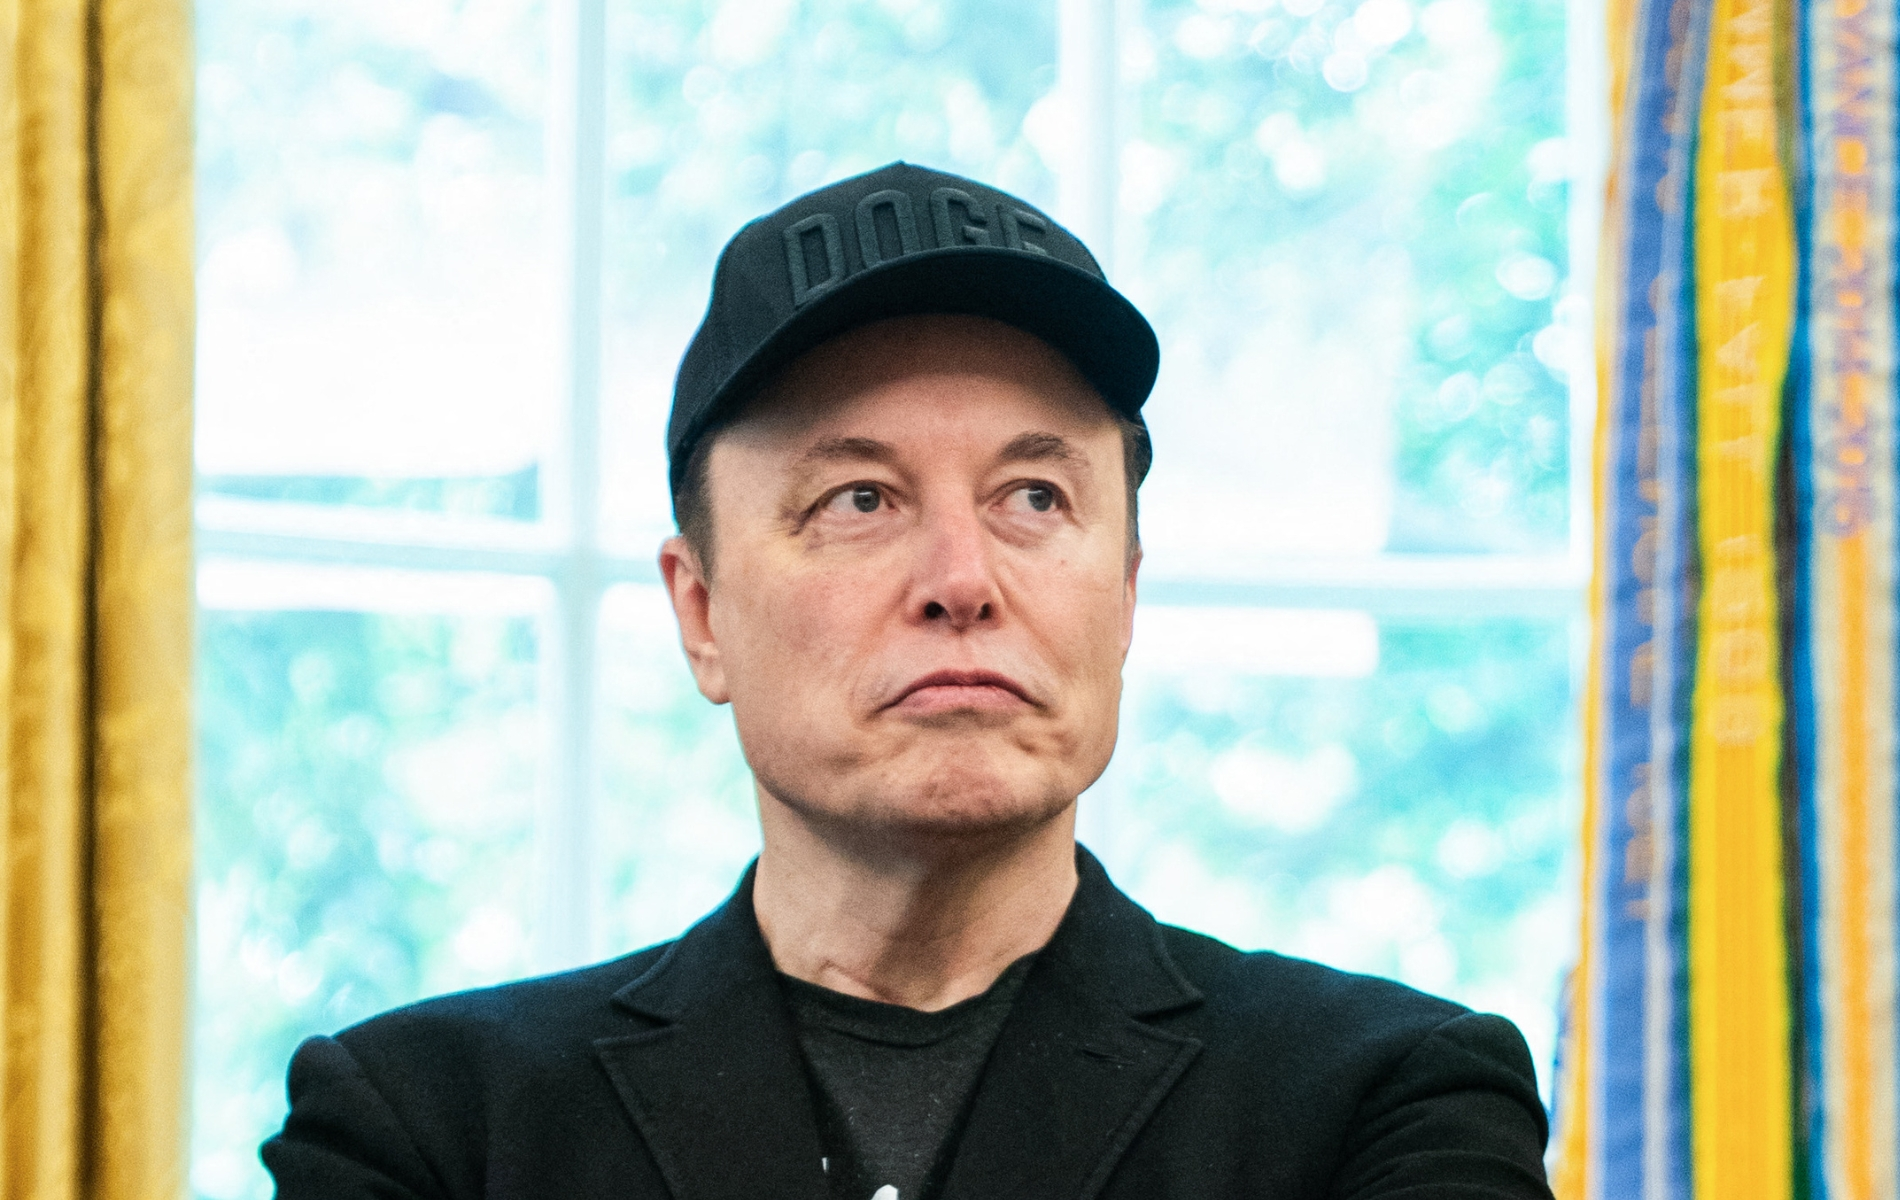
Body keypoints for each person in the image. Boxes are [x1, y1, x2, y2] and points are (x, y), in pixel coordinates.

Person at [263, 162, 1553, 1200]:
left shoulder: (1390, 1104)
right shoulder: (423, 1130)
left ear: (1127, 596)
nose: (961, 576)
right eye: (859, 498)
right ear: (700, 614)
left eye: (1035, 497)